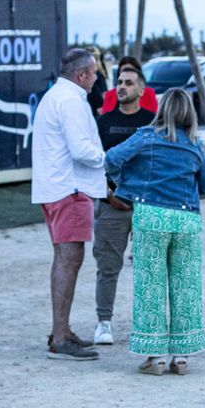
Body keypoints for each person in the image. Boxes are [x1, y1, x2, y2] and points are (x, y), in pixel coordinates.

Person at [103, 89, 205, 375]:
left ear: (162, 109)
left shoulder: (146, 137)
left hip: (151, 216)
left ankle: (155, 358)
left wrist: (127, 183)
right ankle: (181, 356)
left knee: (150, 286)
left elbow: (111, 159)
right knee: (186, 287)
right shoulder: (195, 144)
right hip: (187, 219)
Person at [31, 47, 106, 360]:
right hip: (70, 189)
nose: (97, 77)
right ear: (82, 75)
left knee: (65, 258)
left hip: (57, 188)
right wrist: (111, 159)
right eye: (94, 72)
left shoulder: (57, 96)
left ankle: (61, 332)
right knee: (69, 259)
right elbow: (81, 150)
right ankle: (60, 337)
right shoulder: (71, 100)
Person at [90, 62, 156, 345]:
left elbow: (158, 162)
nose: (122, 87)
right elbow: (93, 163)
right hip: (110, 204)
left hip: (146, 205)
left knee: (149, 268)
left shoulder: (153, 121)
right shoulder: (103, 122)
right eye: (119, 82)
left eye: (129, 83)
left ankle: (148, 323)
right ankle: (103, 323)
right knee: (108, 266)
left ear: (141, 90)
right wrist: (108, 195)